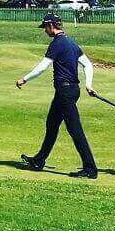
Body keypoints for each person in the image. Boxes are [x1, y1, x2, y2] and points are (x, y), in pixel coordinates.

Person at [16, 14, 98, 179]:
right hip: (71, 90)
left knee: (75, 130)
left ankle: (90, 169)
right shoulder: (72, 44)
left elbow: (43, 66)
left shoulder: (57, 43)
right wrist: (88, 84)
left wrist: (25, 78)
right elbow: (88, 65)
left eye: (45, 28)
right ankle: (39, 160)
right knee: (52, 124)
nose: (45, 31)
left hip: (65, 92)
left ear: (51, 25)